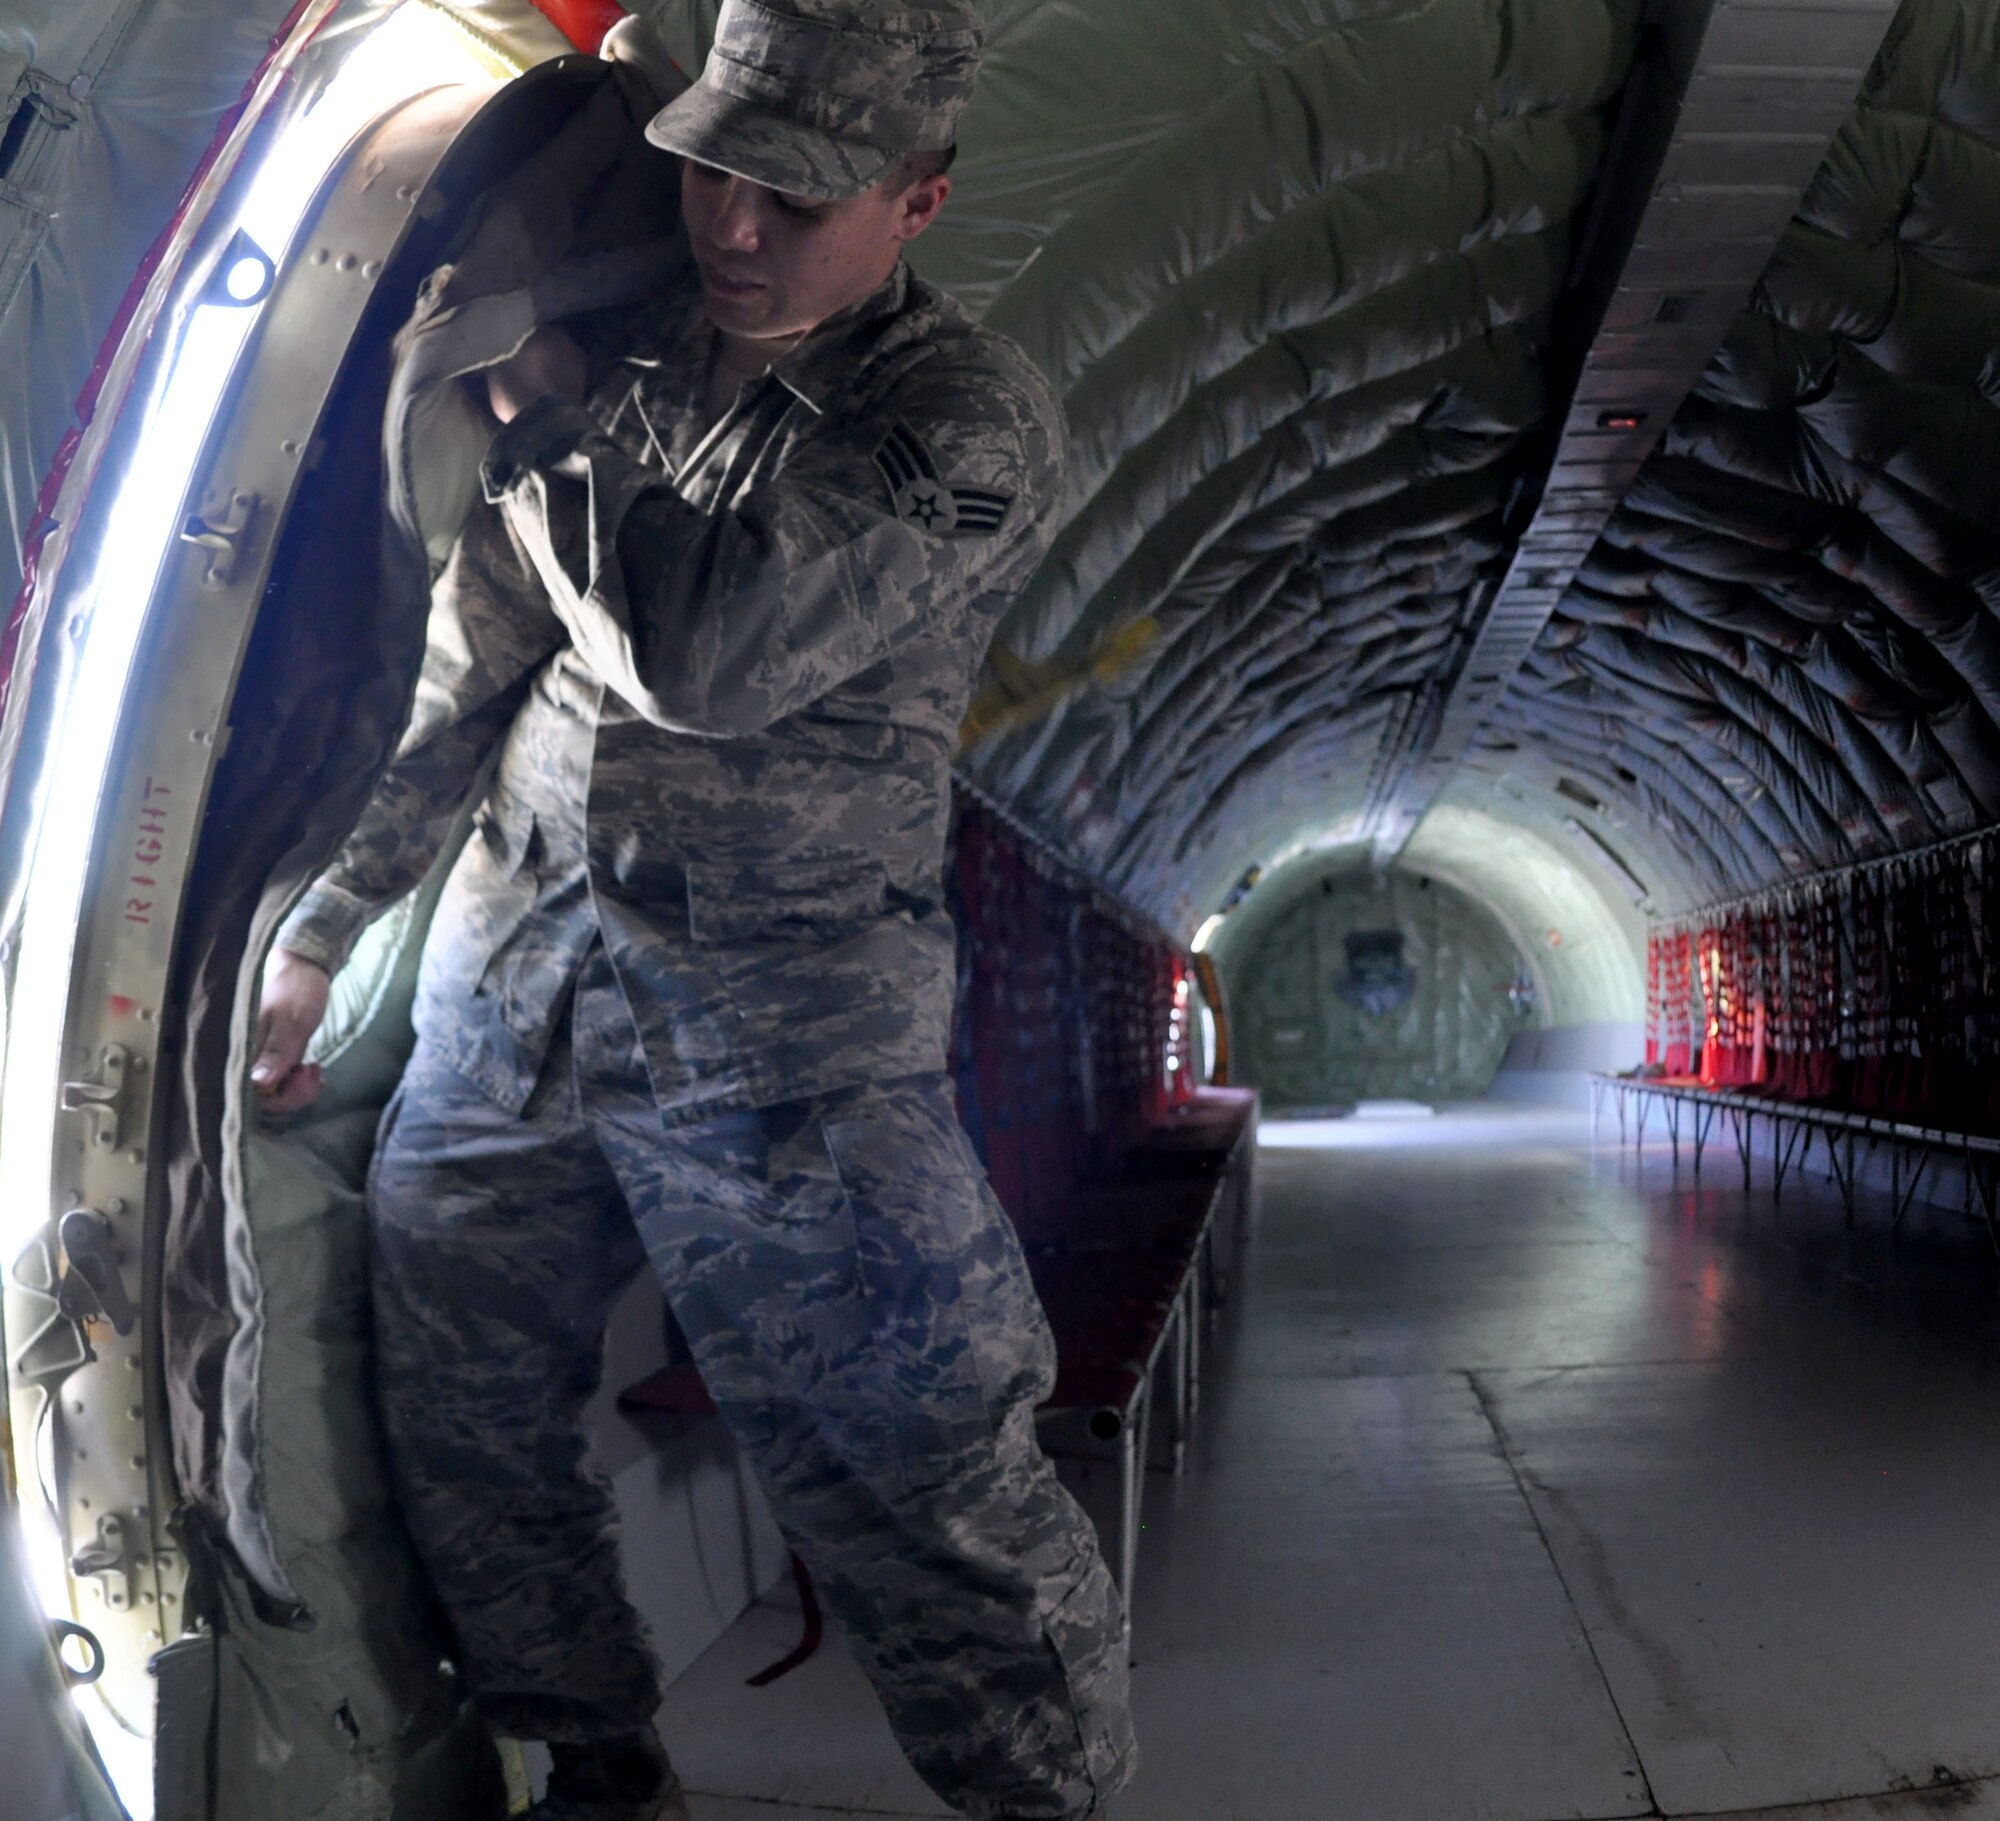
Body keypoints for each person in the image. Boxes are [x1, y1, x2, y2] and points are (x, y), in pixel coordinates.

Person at [250, 3, 1135, 1818]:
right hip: (522, 995)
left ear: (919, 202)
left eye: (795, 198)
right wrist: (329, 923)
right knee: (461, 1412)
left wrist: (551, 424)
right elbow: (475, 664)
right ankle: (594, 1755)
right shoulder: (633, 339)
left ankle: (1050, 1796)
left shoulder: (959, 421)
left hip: (787, 1049)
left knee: (920, 1464)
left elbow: (707, 655)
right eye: (716, 169)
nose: (733, 225)